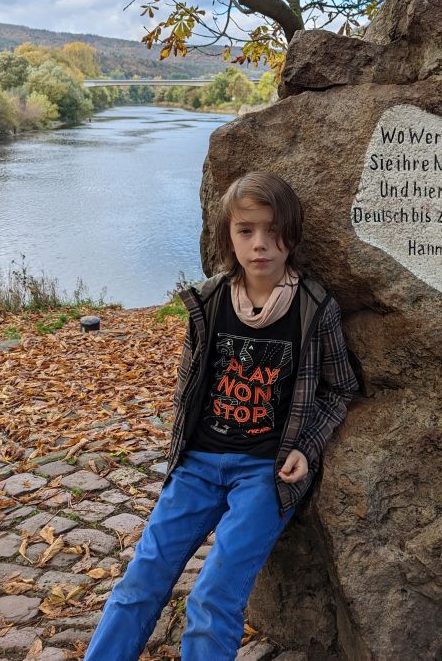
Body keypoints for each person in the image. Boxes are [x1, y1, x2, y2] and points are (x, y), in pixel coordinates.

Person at [84, 171, 359, 660]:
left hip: (265, 473)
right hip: (197, 465)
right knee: (140, 581)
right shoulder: (209, 302)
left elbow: (341, 387)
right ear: (228, 237)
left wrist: (306, 446)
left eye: (273, 230)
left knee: (213, 598)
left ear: (292, 234)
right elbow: (188, 384)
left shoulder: (315, 309)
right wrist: (180, 452)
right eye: (246, 230)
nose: (260, 244)